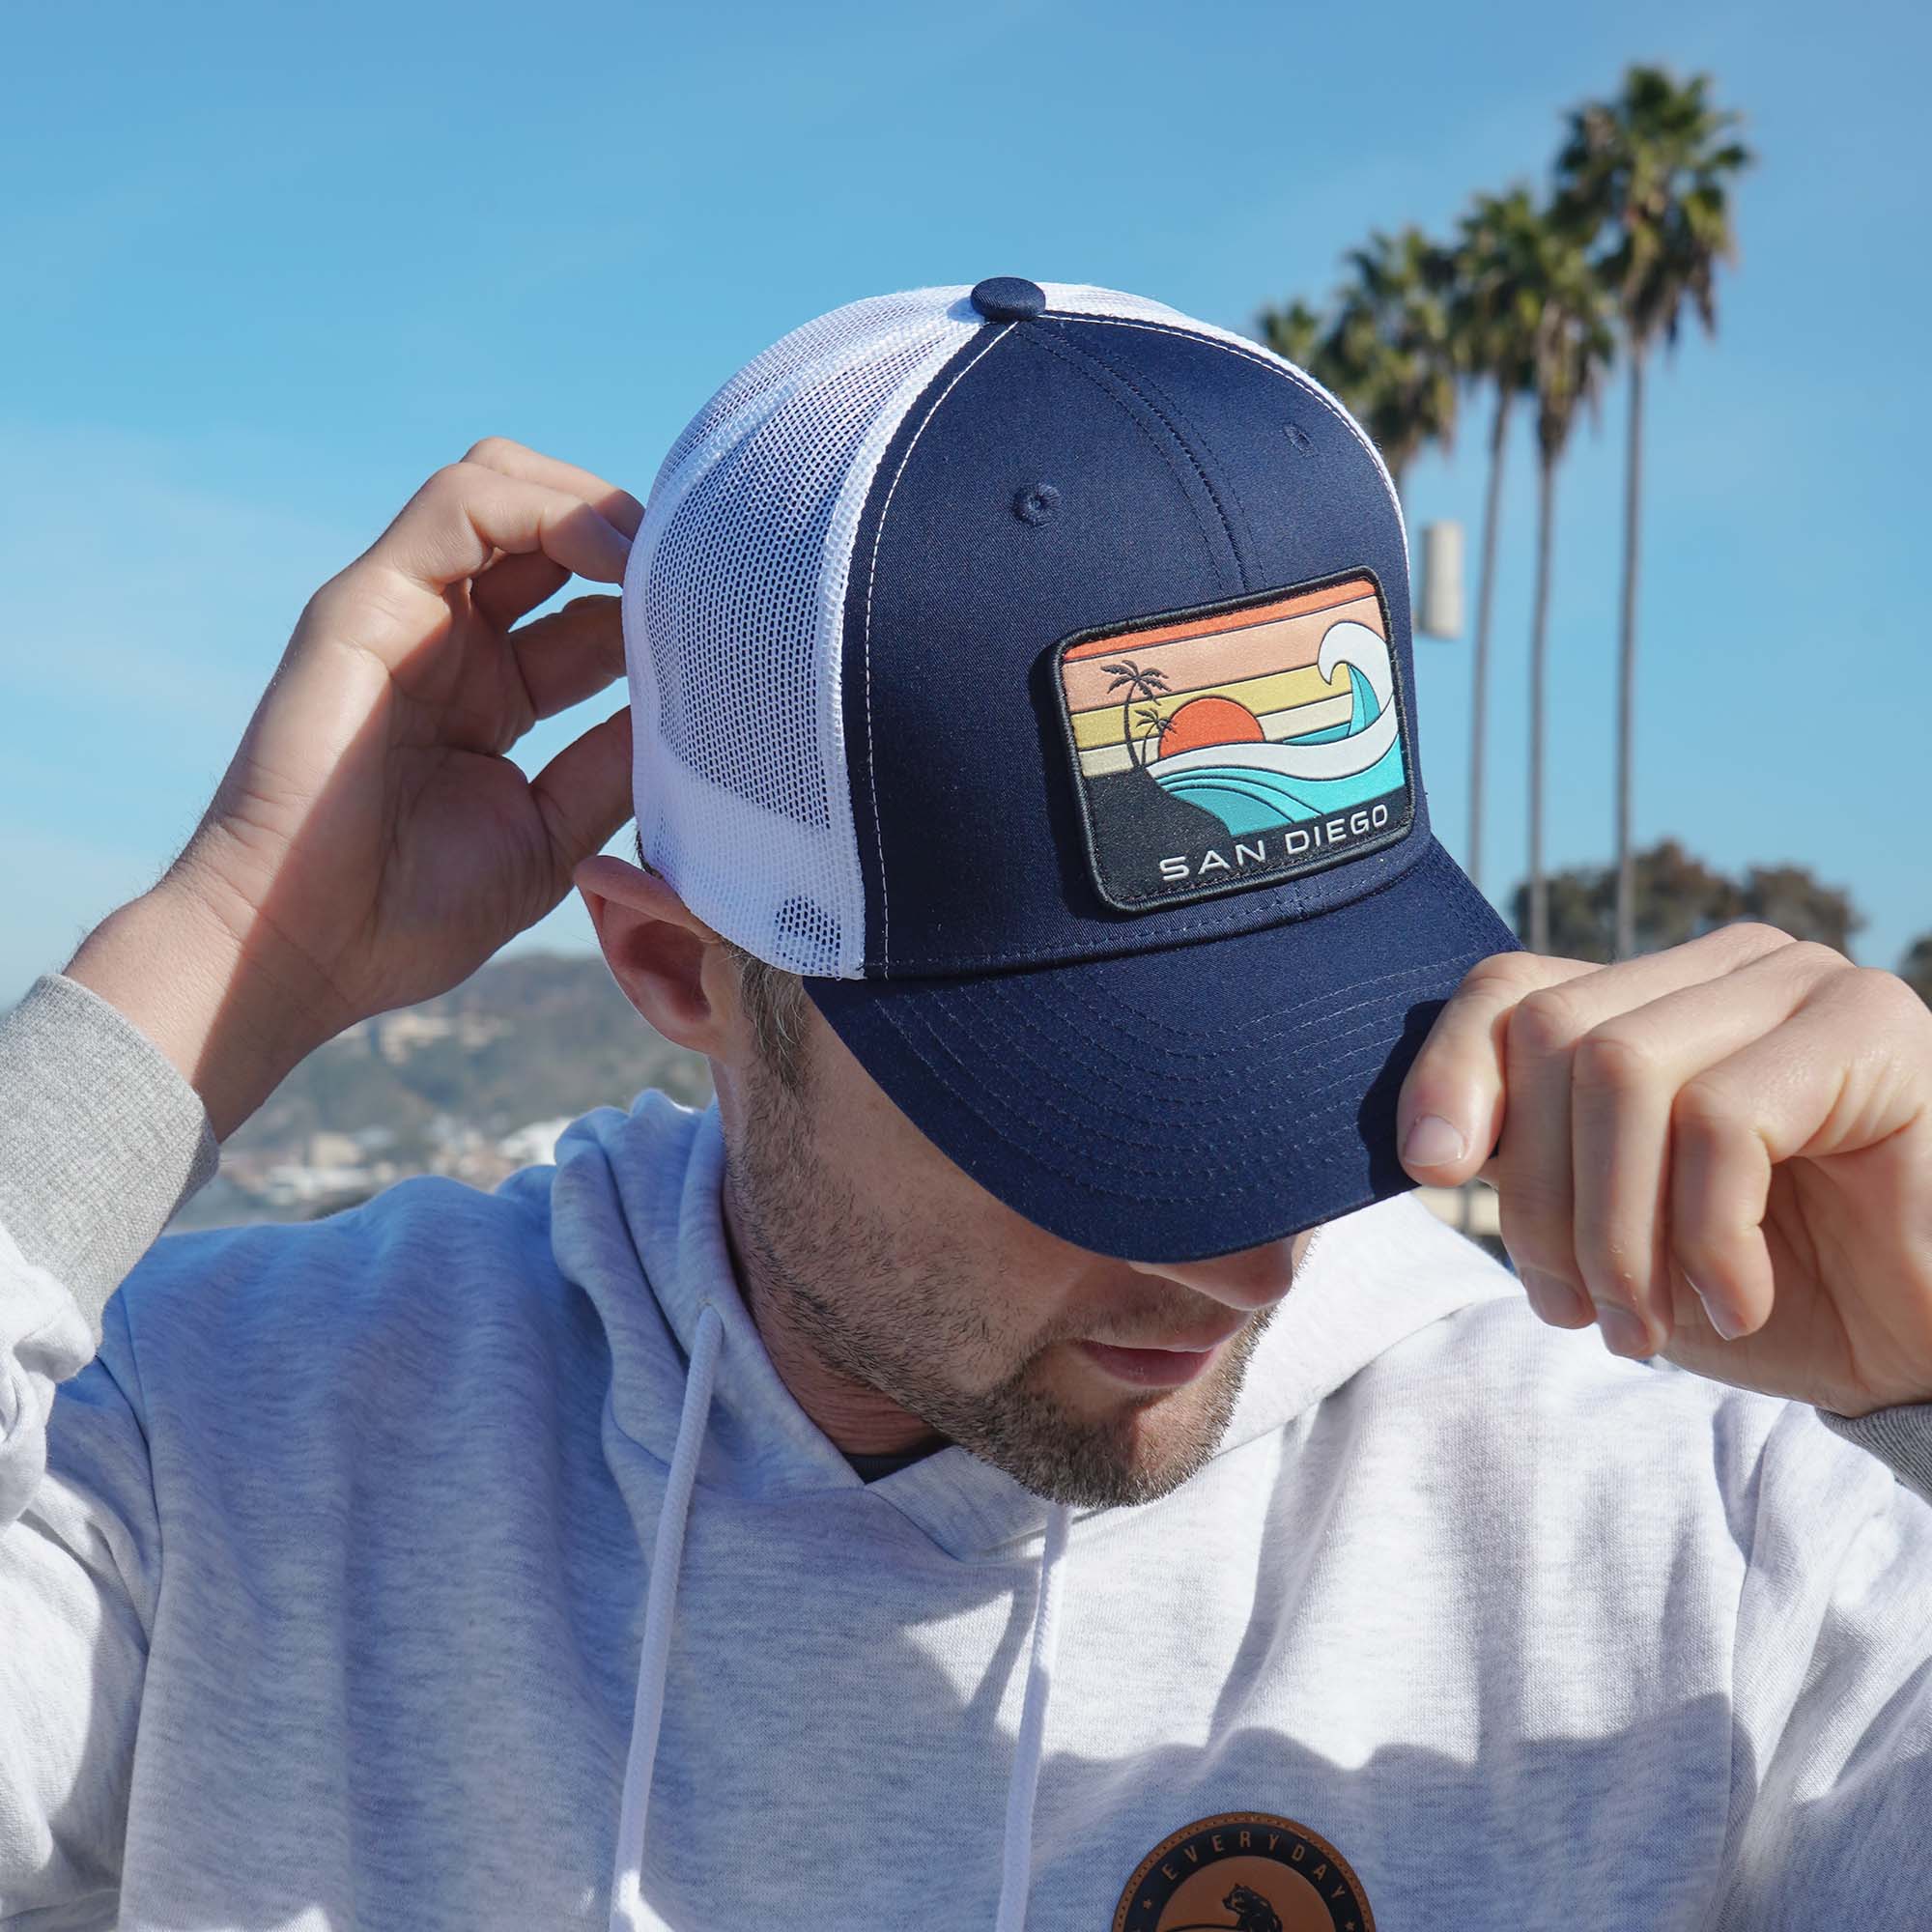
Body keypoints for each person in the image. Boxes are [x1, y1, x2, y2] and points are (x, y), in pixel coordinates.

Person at [2, 278, 1927, 1932]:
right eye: (1086, 1116)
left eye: (1314, 1068)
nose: (1252, 1252)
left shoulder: (1696, 1532)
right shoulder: (238, 1460)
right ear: (682, 973)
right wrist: (224, 945)